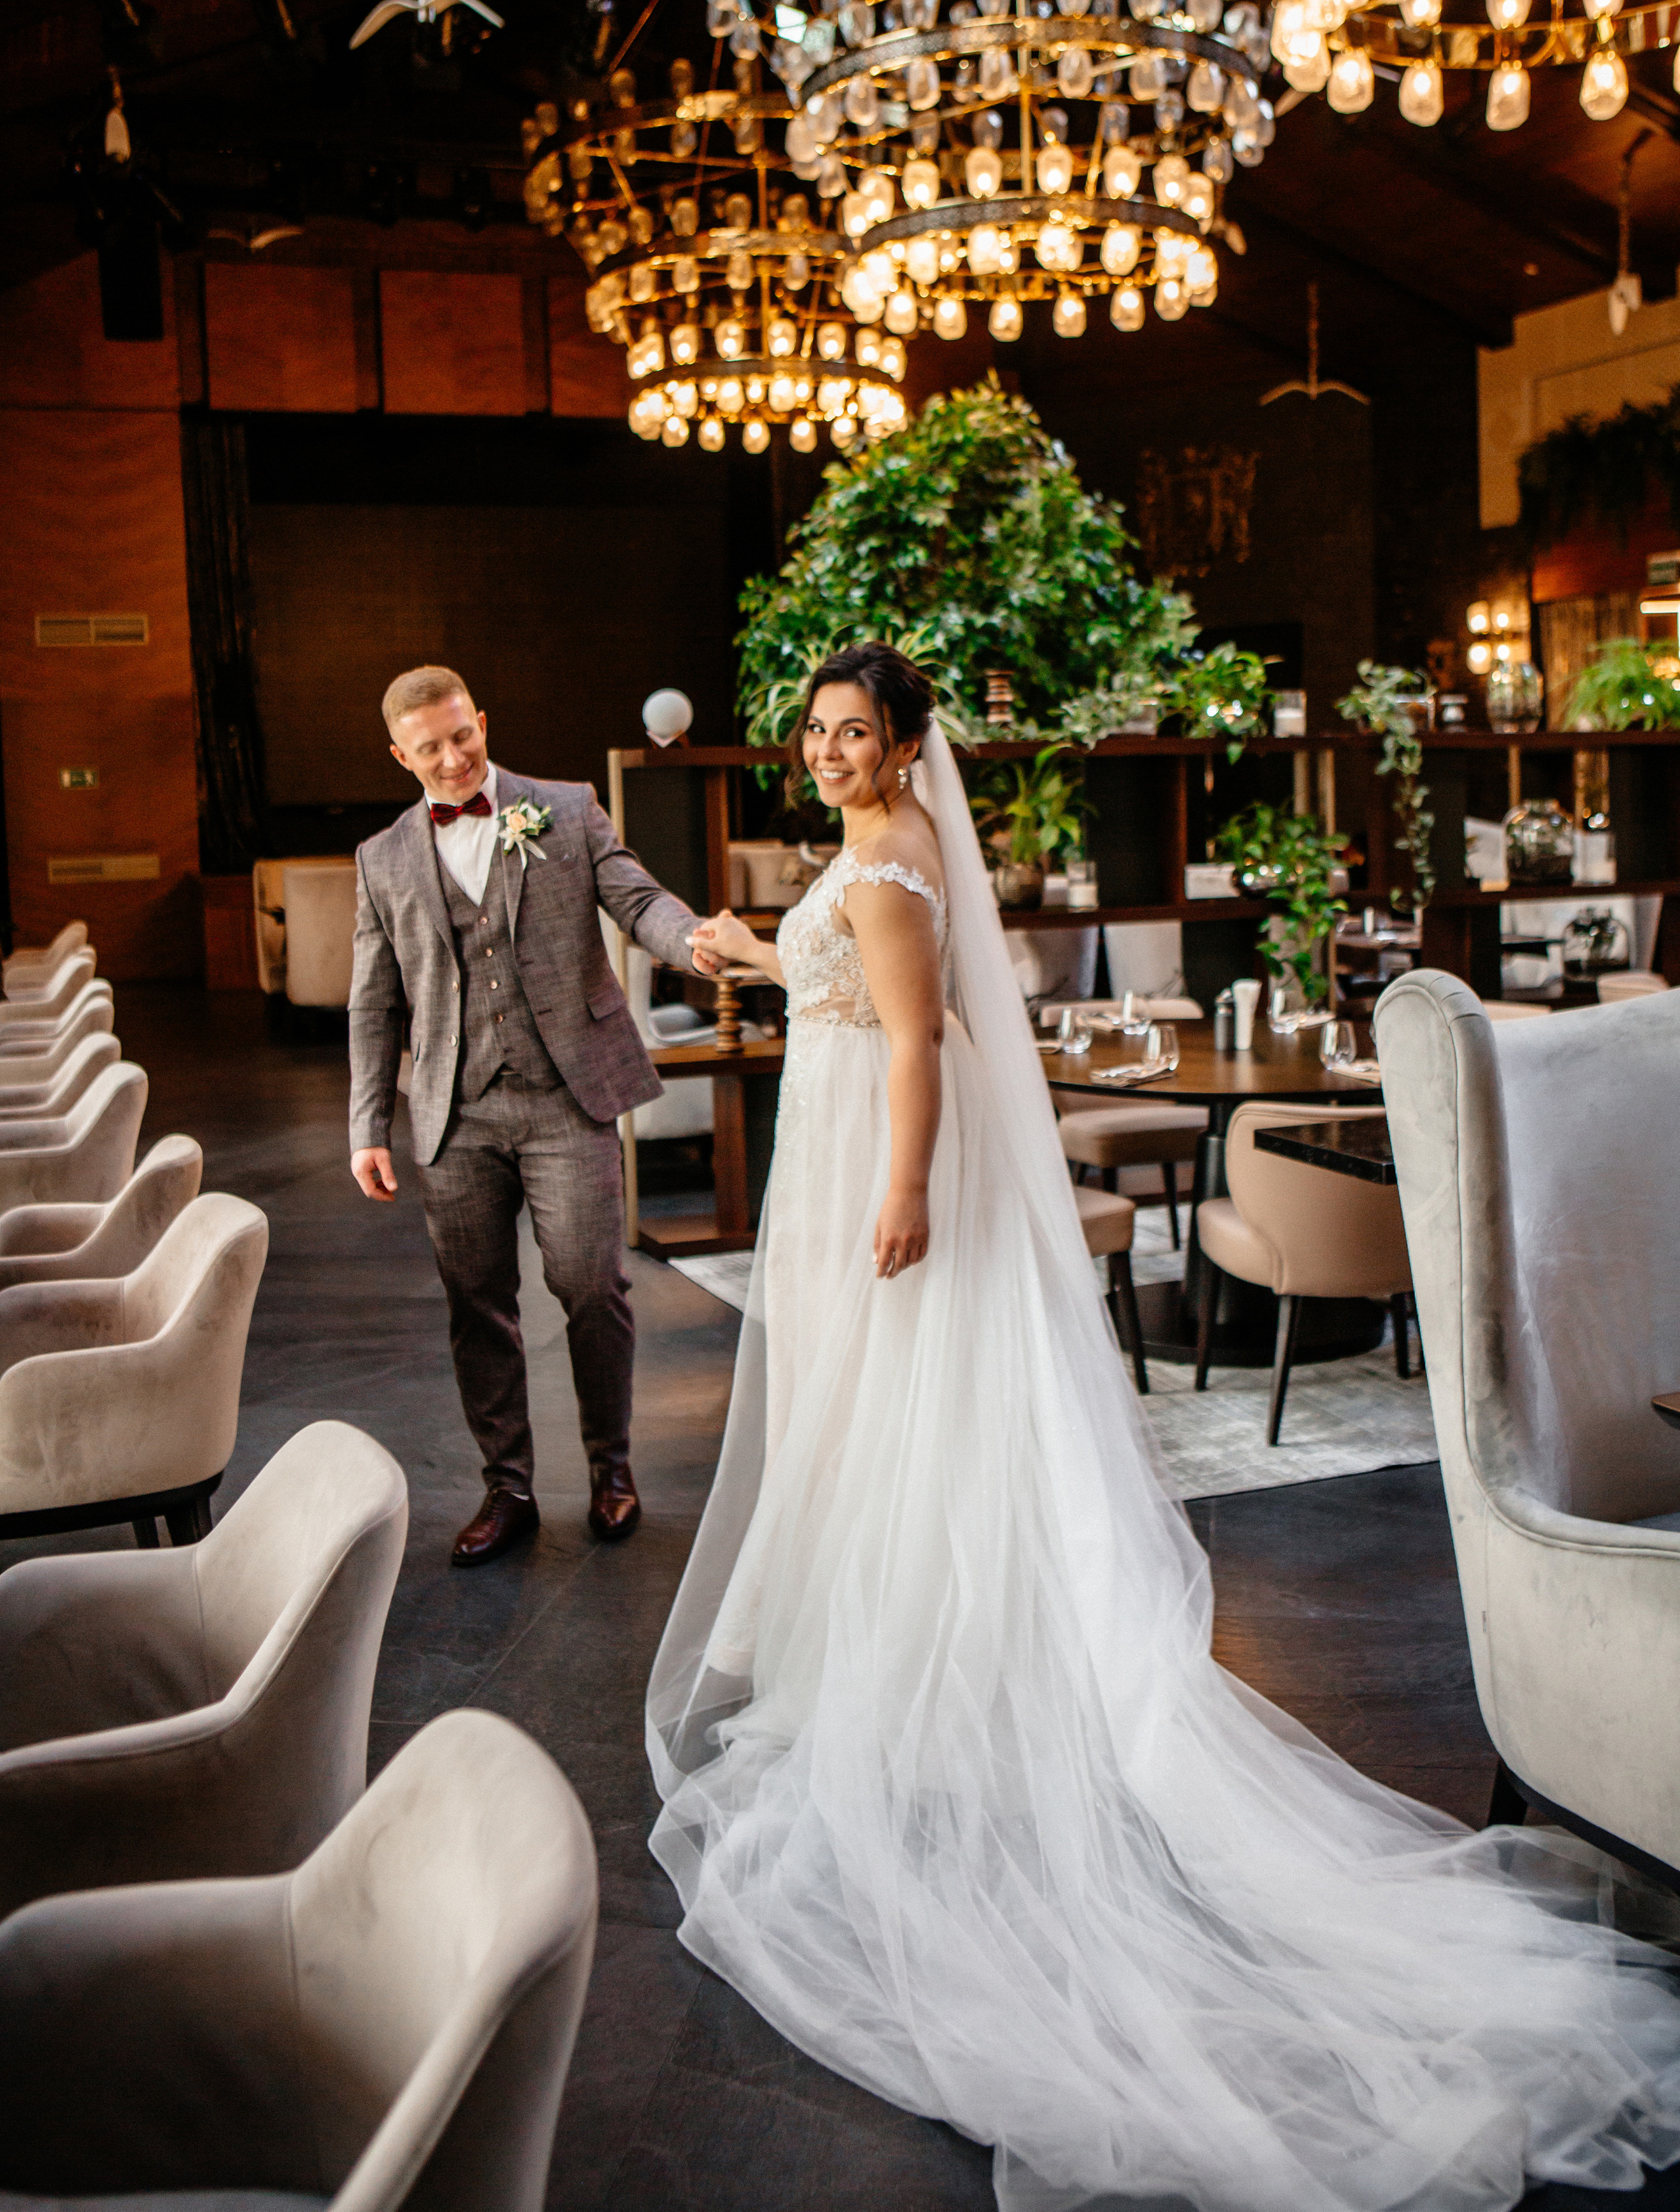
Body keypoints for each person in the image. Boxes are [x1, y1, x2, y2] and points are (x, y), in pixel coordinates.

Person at [649, 639, 1680, 2212]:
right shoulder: (879, 849)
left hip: (881, 1153)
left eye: (853, 733)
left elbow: (916, 1044)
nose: (826, 753)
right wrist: (755, 950)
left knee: (894, 1426)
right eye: (814, 732)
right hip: (860, 1137)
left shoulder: (885, 867)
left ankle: (914, 1679)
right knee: (887, 1434)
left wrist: (901, 1190)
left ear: (907, 744)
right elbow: (859, 999)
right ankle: (905, 1656)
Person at [350, 665, 700, 1567]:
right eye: (431, 748)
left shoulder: (567, 808)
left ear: (481, 721)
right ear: (402, 756)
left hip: (565, 1097)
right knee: (478, 1304)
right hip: (454, 1114)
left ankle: (612, 1471)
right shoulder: (382, 858)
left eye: (463, 735)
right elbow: (372, 1004)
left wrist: (693, 940)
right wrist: (365, 1126)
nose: (455, 757)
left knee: (593, 1286)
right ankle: (507, 1488)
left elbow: (639, 901)